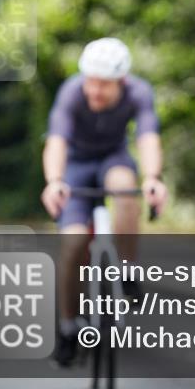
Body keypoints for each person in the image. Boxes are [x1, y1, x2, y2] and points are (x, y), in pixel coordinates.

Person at [40, 37, 168, 366]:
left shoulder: (138, 92)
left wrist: (153, 178)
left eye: (104, 86)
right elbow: (56, 141)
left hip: (114, 159)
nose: (94, 91)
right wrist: (54, 182)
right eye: (91, 83)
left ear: (121, 82)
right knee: (73, 244)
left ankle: (127, 270)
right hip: (75, 167)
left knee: (125, 187)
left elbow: (148, 136)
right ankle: (68, 328)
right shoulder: (71, 91)